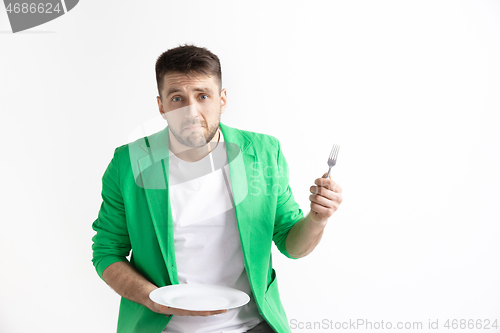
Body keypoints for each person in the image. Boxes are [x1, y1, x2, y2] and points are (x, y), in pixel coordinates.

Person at [91, 44, 343, 333]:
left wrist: (317, 219)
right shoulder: (129, 162)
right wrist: (153, 300)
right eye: (177, 98)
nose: (191, 112)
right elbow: (107, 251)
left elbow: (292, 244)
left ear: (222, 99)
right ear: (161, 106)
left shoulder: (263, 152)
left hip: (251, 326)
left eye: (202, 96)